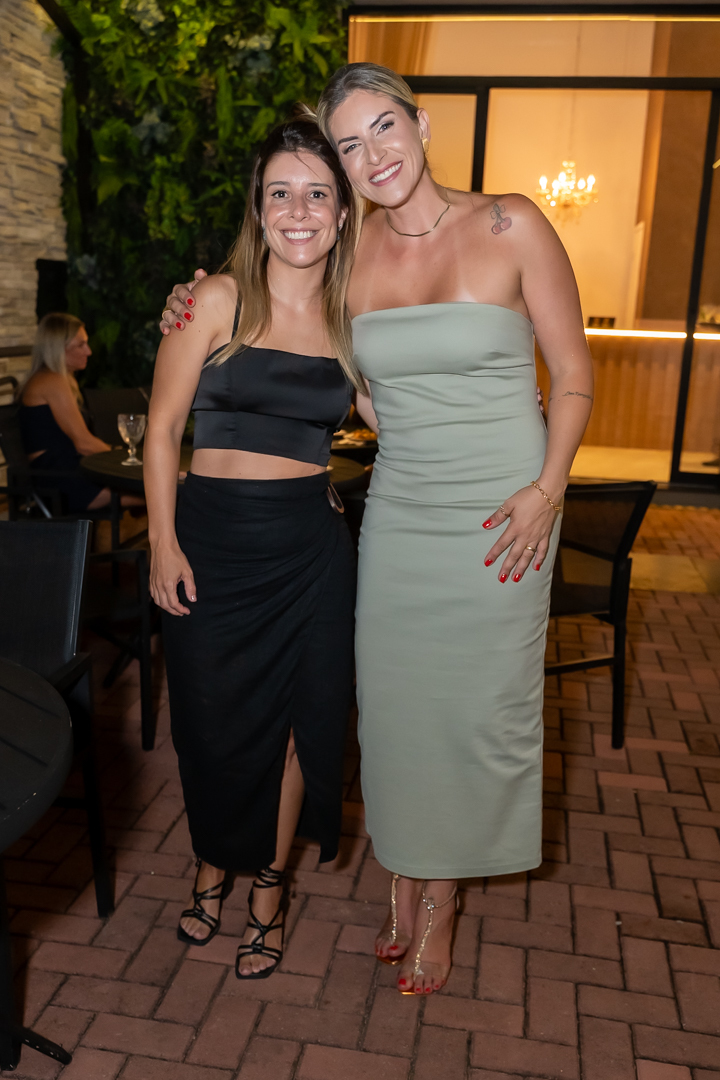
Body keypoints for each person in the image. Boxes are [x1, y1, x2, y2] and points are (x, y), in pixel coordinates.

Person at [160, 63, 594, 996]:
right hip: (401, 507)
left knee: (478, 706)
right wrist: (190, 300)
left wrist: (548, 489)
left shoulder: (511, 223)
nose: (373, 155)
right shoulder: (349, 255)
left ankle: (442, 899)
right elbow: (300, 331)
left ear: (420, 124)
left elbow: (574, 374)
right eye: (350, 145)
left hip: (508, 508)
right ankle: (403, 873)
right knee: (393, 708)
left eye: (384, 129)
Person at [144, 114, 361, 980]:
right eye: (281, 193)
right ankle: (211, 866)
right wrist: (162, 543)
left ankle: (267, 891)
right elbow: (163, 431)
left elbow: (402, 417)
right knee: (211, 725)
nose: (298, 211)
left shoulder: (355, 319)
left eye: (317, 194)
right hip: (211, 545)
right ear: (258, 208)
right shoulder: (215, 301)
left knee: (300, 727)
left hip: (310, 552)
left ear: (342, 212)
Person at [19, 313, 142, 512]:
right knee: (159, 493)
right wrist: (127, 459)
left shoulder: (63, 379)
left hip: (71, 470)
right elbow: (84, 444)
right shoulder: (52, 381)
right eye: (80, 345)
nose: (89, 351)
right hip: (59, 480)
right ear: (58, 349)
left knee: (156, 490)